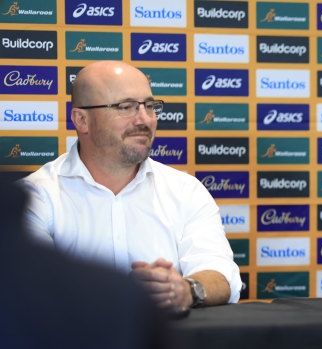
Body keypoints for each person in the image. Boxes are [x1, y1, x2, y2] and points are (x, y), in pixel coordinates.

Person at [19, 61, 242, 312]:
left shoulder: (185, 190)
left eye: (150, 106)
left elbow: (222, 276)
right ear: (81, 120)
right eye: (125, 107)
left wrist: (187, 290)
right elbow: (29, 290)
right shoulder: (35, 197)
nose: (144, 119)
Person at [0, 177, 171, 349]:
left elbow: (199, 268)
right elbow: (33, 286)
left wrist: (189, 288)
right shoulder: (38, 191)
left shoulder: (185, 187)